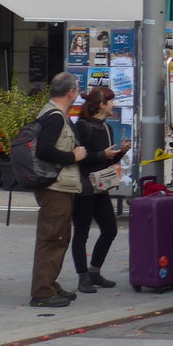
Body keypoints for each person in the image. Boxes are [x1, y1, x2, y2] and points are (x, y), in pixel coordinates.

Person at [28, 72, 87, 307]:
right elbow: (44, 150)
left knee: (59, 237)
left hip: (61, 185)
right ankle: (42, 291)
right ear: (71, 91)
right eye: (78, 89)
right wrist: (72, 156)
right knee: (52, 237)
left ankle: (49, 283)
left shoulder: (54, 113)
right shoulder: (54, 116)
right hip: (55, 186)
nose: (79, 93)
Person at [71, 85, 130, 293]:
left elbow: (106, 159)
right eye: (111, 101)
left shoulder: (106, 127)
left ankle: (94, 270)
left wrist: (120, 152)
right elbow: (80, 158)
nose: (113, 105)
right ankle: (82, 276)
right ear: (102, 104)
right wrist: (102, 156)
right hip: (84, 186)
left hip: (101, 186)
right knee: (81, 233)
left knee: (110, 229)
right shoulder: (83, 126)